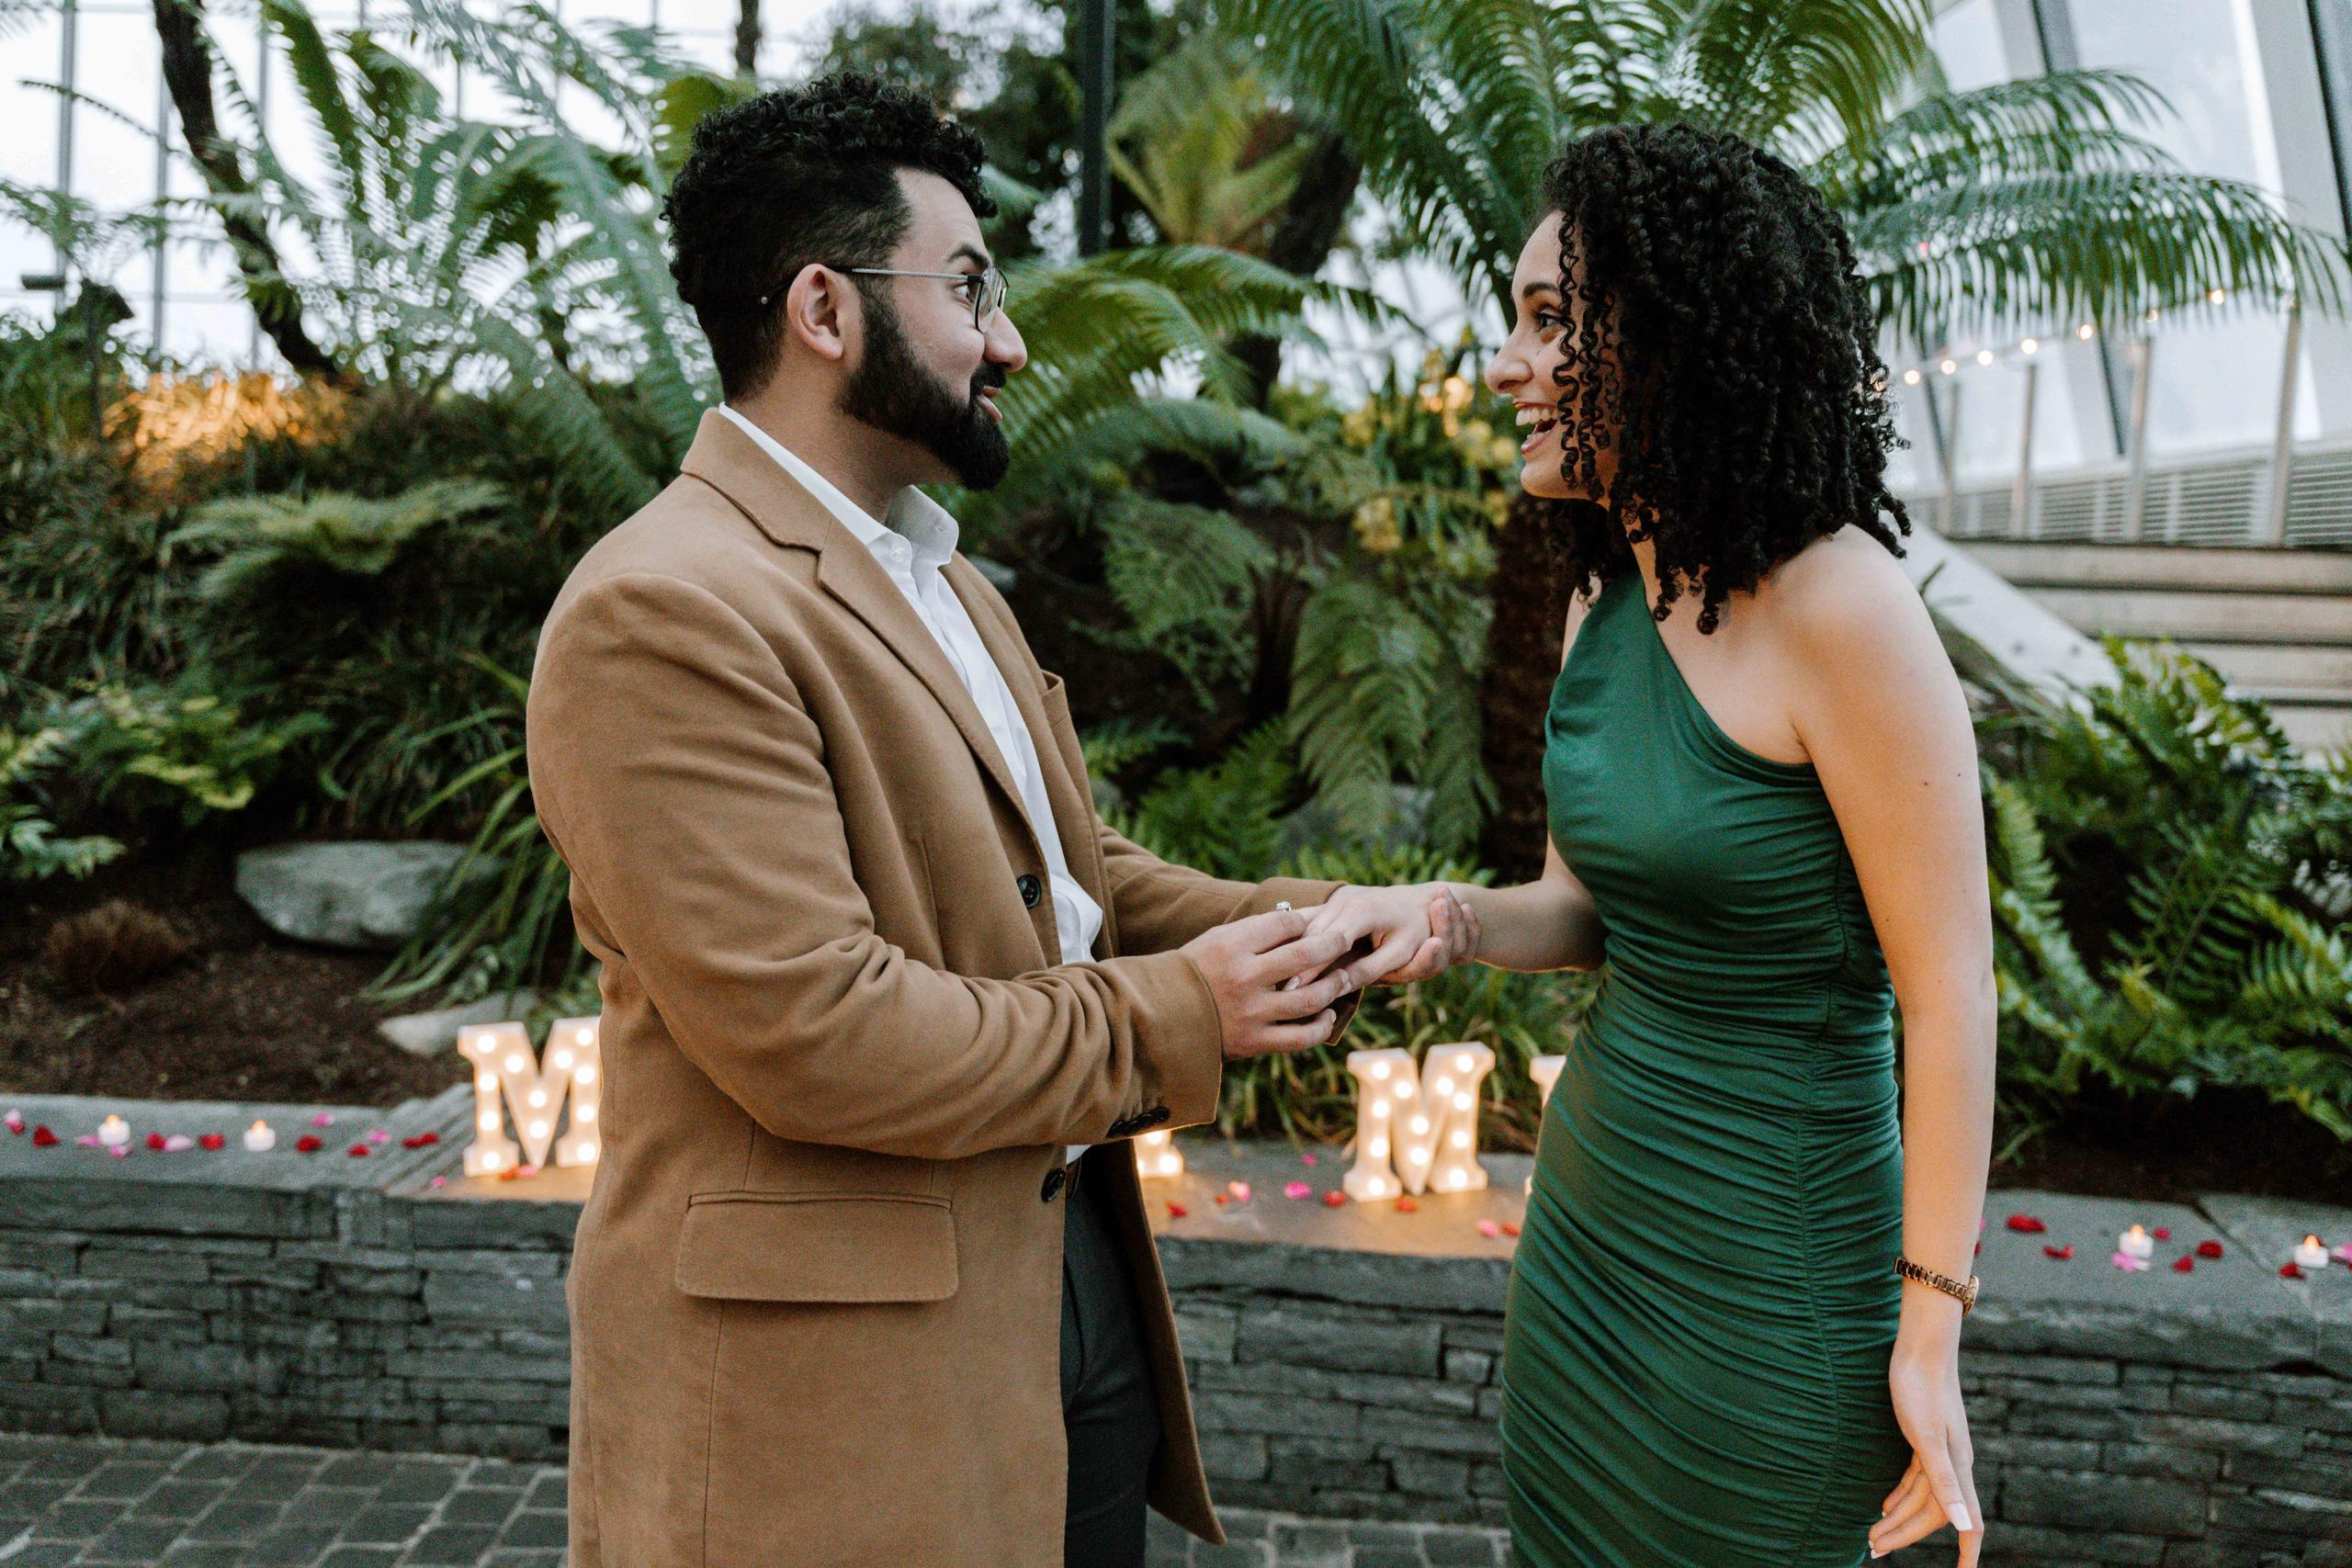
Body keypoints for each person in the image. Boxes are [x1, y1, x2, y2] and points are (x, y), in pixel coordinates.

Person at [524, 73, 1476, 1568]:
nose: (1012, 341)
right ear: (826, 311)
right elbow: (818, 1034)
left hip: (1055, 1300)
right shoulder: (662, 609)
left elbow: (1072, 885)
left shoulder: (944, 578)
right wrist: (1185, 1012)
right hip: (822, 1402)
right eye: (969, 288)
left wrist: (1295, 930)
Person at [1298, 124, 1996, 1567]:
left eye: (1552, 319)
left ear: (1676, 335)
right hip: (1594, 1238)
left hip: (1775, 1268)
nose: (1505, 363)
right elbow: (1583, 910)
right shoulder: (1604, 596)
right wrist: (1442, 914)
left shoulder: (1843, 608)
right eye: (1513, 317)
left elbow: (1951, 993)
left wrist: (1929, 1330)